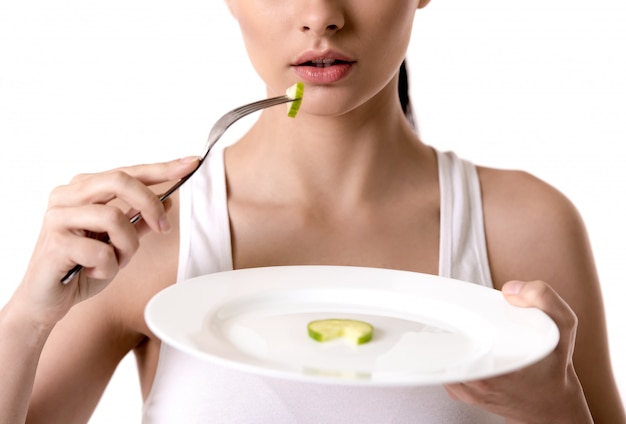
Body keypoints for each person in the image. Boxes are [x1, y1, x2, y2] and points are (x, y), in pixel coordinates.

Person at [1, 0, 624, 422]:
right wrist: (28, 313)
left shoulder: (526, 224)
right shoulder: (145, 233)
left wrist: (556, 408)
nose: (322, 16)